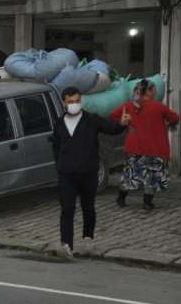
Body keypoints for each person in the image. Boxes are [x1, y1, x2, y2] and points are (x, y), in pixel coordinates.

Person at [51, 87, 130, 260]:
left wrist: (122, 124)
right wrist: (61, 165)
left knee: (88, 207)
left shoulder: (91, 120)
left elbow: (111, 128)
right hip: (66, 175)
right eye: (70, 102)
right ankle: (66, 245)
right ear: (64, 103)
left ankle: (88, 238)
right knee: (67, 209)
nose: (74, 104)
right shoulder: (58, 123)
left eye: (77, 101)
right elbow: (56, 147)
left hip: (88, 173)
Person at [110, 79, 180, 211]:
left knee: (130, 175)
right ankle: (147, 203)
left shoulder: (129, 106)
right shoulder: (159, 107)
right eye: (153, 88)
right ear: (148, 91)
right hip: (155, 148)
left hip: (134, 147)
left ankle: (121, 199)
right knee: (152, 176)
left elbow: (112, 116)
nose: (155, 91)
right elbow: (175, 118)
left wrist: (126, 124)